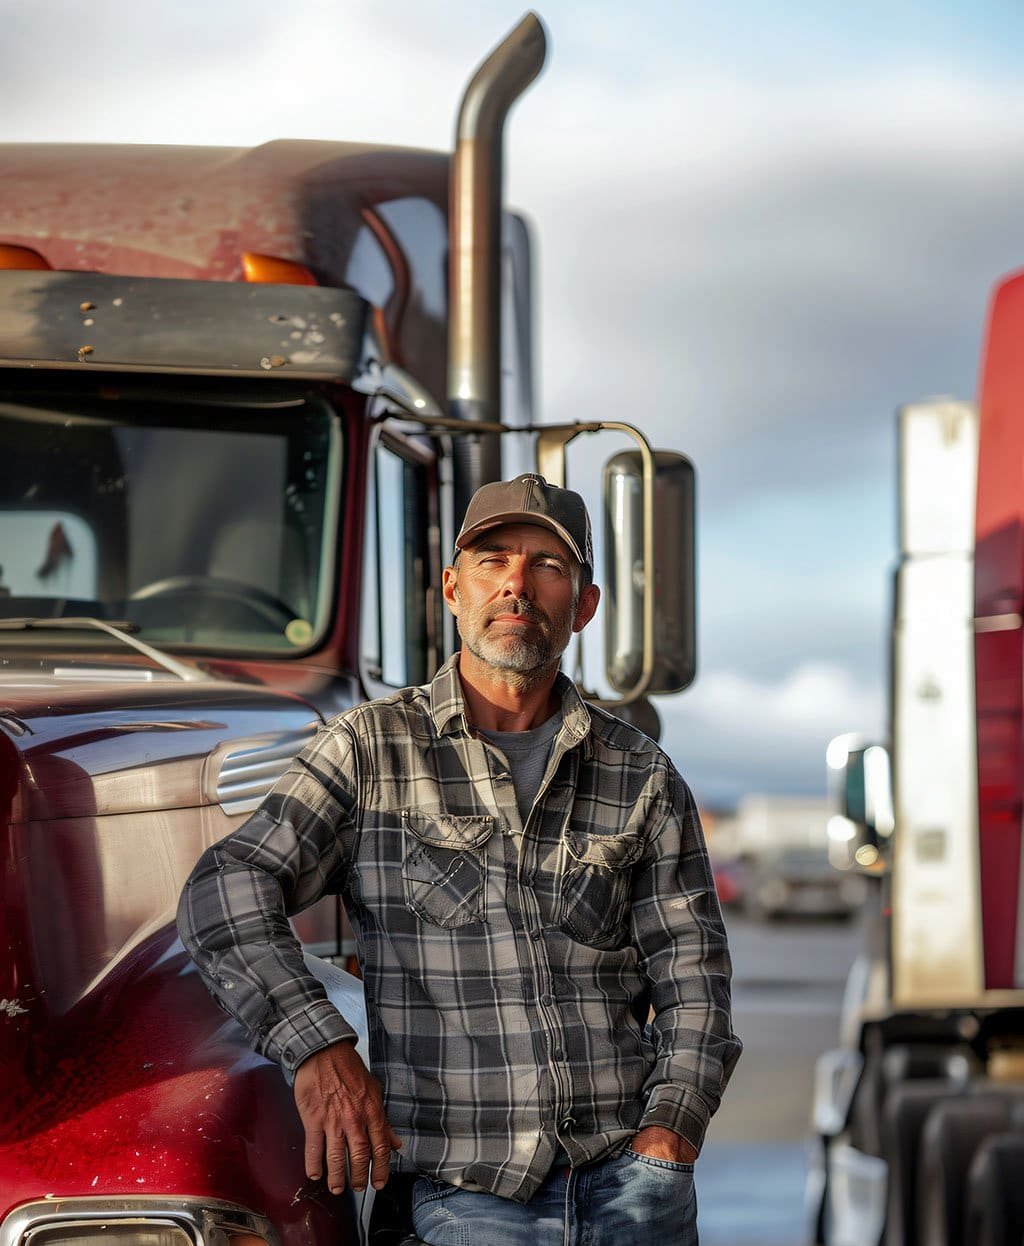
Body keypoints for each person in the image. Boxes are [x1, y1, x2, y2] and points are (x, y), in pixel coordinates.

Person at [178, 473, 741, 1245]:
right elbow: (225, 889)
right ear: (453, 588)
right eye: (493, 560)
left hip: (632, 1191)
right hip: (463, 1198)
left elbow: (695, 979)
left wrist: (669, 1136)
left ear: (583, 606)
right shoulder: (371, 750)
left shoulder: (640, 772)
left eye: (547, 565)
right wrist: (318, 1048)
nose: (517, 584)